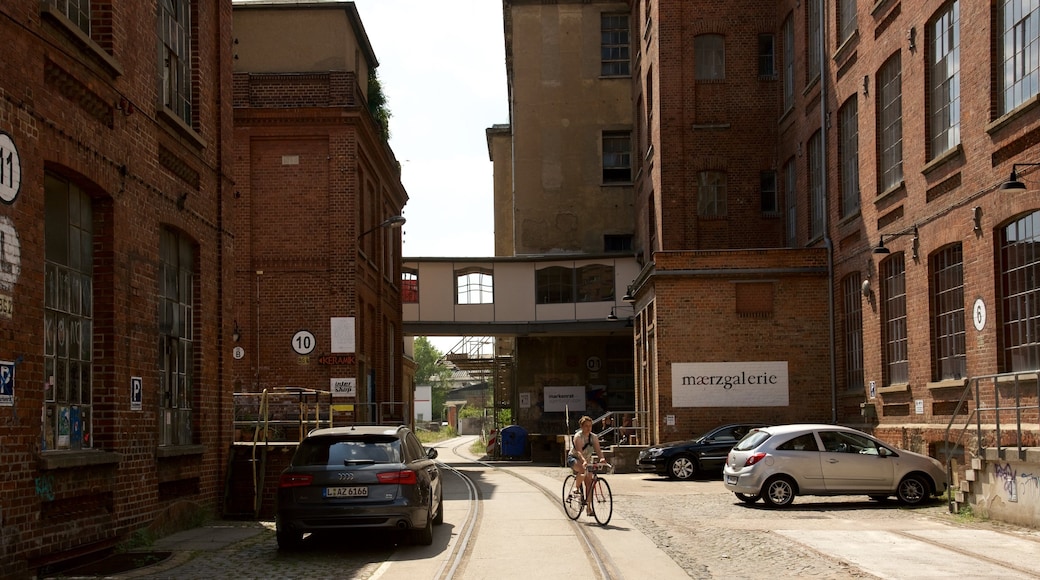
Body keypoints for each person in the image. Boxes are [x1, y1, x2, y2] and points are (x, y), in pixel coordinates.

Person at [567, 415, 604, 516]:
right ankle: (576, 487)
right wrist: (583, 460)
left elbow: (598, 450)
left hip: (587, 460)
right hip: (574, 458)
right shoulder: (578, 436)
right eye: (586, 426)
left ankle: (589, 508)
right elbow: (579, 452)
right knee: (582, 470)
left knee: (589, 483)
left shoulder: (593, 437)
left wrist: (602, 458)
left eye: (590, 426)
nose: (588, 428)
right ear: (582, 427)